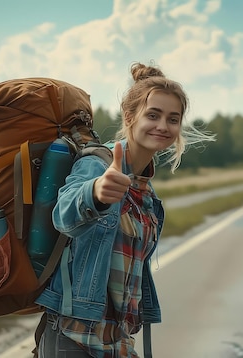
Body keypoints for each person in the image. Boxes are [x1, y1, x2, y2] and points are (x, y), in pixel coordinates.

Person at [35, 62, 215, 357]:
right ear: (130, 117)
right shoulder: (98, 164)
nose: (163, 126)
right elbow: (63, 214)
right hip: (75, 338)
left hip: (117, 342)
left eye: (173, 119)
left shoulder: (146, 192)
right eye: (153, 115)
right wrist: (95, 193)